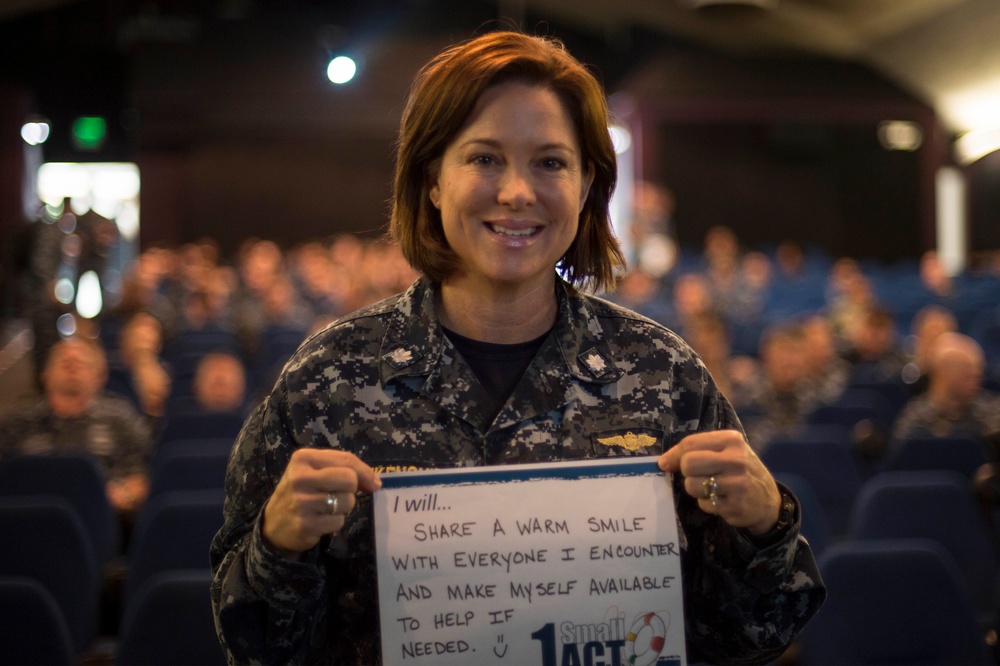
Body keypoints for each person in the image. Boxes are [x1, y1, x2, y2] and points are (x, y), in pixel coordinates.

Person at [210, 31, 825, 665]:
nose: (517, 192)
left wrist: (764, 528)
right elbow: (254, 647)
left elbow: (749, 637)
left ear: (587, 185)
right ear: (432, 180)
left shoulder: (666, 376)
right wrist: (277, 549)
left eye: (550, 163)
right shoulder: (325, 383)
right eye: (483, 159)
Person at [0, 336, 152, 516]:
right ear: (45, 375)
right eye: (64, 361)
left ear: (99, 377)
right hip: (27, 520)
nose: (72, 363)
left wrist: (119, 495)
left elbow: (142, 477)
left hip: (102, 519)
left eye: (81, 361)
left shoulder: (121, 418)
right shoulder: (19, 421)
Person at [892, 332, 1000, 443]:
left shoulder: (992, 414)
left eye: (978, 375)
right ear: (942, 373)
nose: (977, 383)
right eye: (967, 375)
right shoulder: (915, 419)